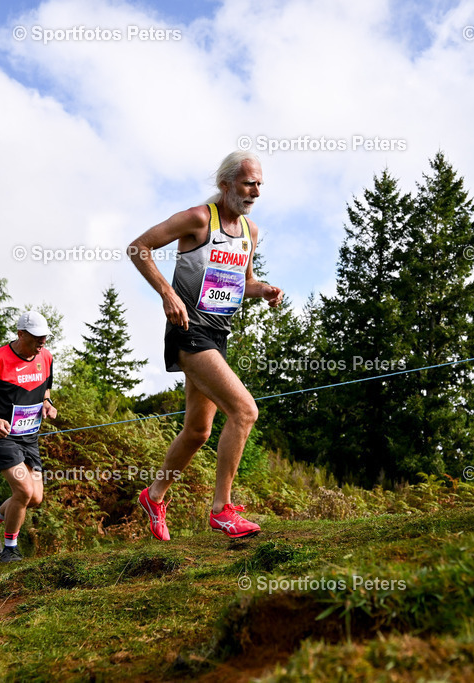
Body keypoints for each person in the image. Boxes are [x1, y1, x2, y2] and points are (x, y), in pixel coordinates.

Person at [128, 150, 283, 541]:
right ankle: (222, 510)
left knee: (198, 431)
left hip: (217, 334)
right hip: (188, 330)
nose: (256, 192)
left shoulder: (251, 232)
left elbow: (240, 280)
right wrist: (167, 293)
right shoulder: (198, 218)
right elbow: (138, 247)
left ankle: (154, 495)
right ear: (226, 184)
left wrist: (261, 289)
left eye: (260, 184)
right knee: (245, 412)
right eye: (250, 183)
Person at [0, 310, 56, 562]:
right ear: (20, 334)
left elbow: (46, 386)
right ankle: (10, 549)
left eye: (45, 337)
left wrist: (47, 403)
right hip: (0, 436)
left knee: (35, 497)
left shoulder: (46, 357)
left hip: (29, 436)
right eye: (36, 337)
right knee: (24, 491)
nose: (41, 342)